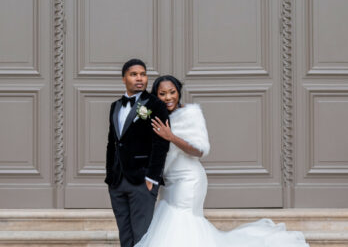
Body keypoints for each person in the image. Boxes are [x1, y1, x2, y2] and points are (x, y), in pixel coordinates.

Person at [137, 74, 310, 247]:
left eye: (172, 92)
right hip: (169, 183)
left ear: (178, 92)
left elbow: (199, 150)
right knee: (168, 221)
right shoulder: (156, 117)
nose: (168, 97)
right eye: (162, 94)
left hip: (189, 180)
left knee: (181, 220)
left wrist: (171, 136)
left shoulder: (191, 114)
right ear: (156, 96)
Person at [105, 59, 171, 247]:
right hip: (118, 181)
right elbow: (112, 143)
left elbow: (161, 143)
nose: (140, 78)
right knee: (125, 235)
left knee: (142, 235)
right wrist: (110, 175)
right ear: (124, 78)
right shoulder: (115, 106)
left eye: (143, 74)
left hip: (143, 181)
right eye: (134, 74)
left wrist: (152, 177)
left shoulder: (155, 105)